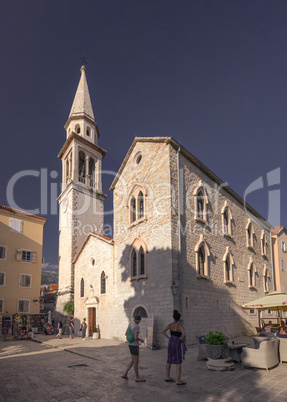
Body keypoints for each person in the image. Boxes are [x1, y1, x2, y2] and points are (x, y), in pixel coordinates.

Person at [162, 310, 187, 385]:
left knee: (169, 360)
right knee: (178, 361)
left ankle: (167, 376)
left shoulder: (170, 324)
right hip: (177, 342)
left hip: (170, 341)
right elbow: (184, 334)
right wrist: (181, 339)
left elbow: (163, 331)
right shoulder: (180, 325)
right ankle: (178, 380)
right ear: (179, 318)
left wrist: (168, 337)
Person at [122, 314, 146, 382]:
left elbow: (126, 333)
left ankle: (125, 374)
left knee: (133, 360)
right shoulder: (137, 327)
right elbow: (135, 337)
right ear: (139, 320)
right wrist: (141, 340)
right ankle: (137, 377)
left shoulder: (130, 324)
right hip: (135, 345)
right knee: (136, 362)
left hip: (130, 344)